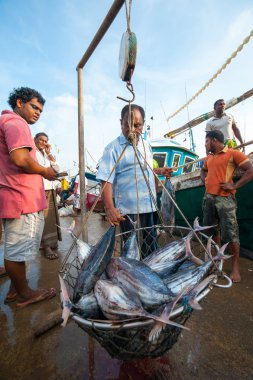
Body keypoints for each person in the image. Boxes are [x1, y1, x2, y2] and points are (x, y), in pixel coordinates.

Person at [0, 87, 57, 307]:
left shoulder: (8, 122)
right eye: (34, 107)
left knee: (18, 248)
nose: (37, 113)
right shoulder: (16, 123)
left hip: (18, 198)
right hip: (21, 198)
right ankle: (25, 294)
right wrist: (45, 171)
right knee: (16, 252)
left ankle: (15, 290)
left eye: (40, 111)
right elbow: (21, 159)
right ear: (19, 102)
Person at [96, 104, 166, 257]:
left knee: (151, 249)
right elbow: (105, 180)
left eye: (138, 125)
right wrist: (109, 208)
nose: (133, 129)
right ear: (121, 122)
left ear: (143, 124)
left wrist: (160, 172)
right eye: (128, 125)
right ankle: (130, 278)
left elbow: (146, 170)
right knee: (130, 252)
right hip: (128, 211)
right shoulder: (112, 148)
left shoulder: (146, 145)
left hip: (149, 206)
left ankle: (149, 277)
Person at [200, 130, 253, 283]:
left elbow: (250, 170)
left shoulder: (233, 153)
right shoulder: (209, 158)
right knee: (211, 231)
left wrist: (234, 185)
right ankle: (216, 259)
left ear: (214, 140)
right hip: (208, 199)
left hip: (225, 200)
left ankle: (235, 266)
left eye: (206, 141)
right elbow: (203, 171)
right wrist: (204, 179)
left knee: (231, 234)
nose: (205, 144)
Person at [34, 132, 62, 259]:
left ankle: (48, 243)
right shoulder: (32, 152)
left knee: (50, 218)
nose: (43, 143)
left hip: (49, 189)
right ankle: (46, 245)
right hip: (38, 189)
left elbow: (57, 168)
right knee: (43, 218)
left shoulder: (45, 154)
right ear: (35, 140)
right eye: (41, 140)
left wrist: (49, 152)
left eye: (45, 141)